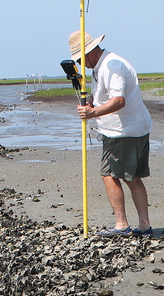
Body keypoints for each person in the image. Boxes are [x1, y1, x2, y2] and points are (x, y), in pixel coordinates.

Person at [68, 31, 153, 236]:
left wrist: (93, 112)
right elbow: (107, 96)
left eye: (80, 59)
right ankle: (144, 225)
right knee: (132, 178)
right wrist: (92, 102)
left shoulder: (111, 66)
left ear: (88, 52)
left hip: (123, 132)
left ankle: (122, 225)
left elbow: (118, 100)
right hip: (133, 129)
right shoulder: (102, 65)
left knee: (109, 174)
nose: (81, 64)